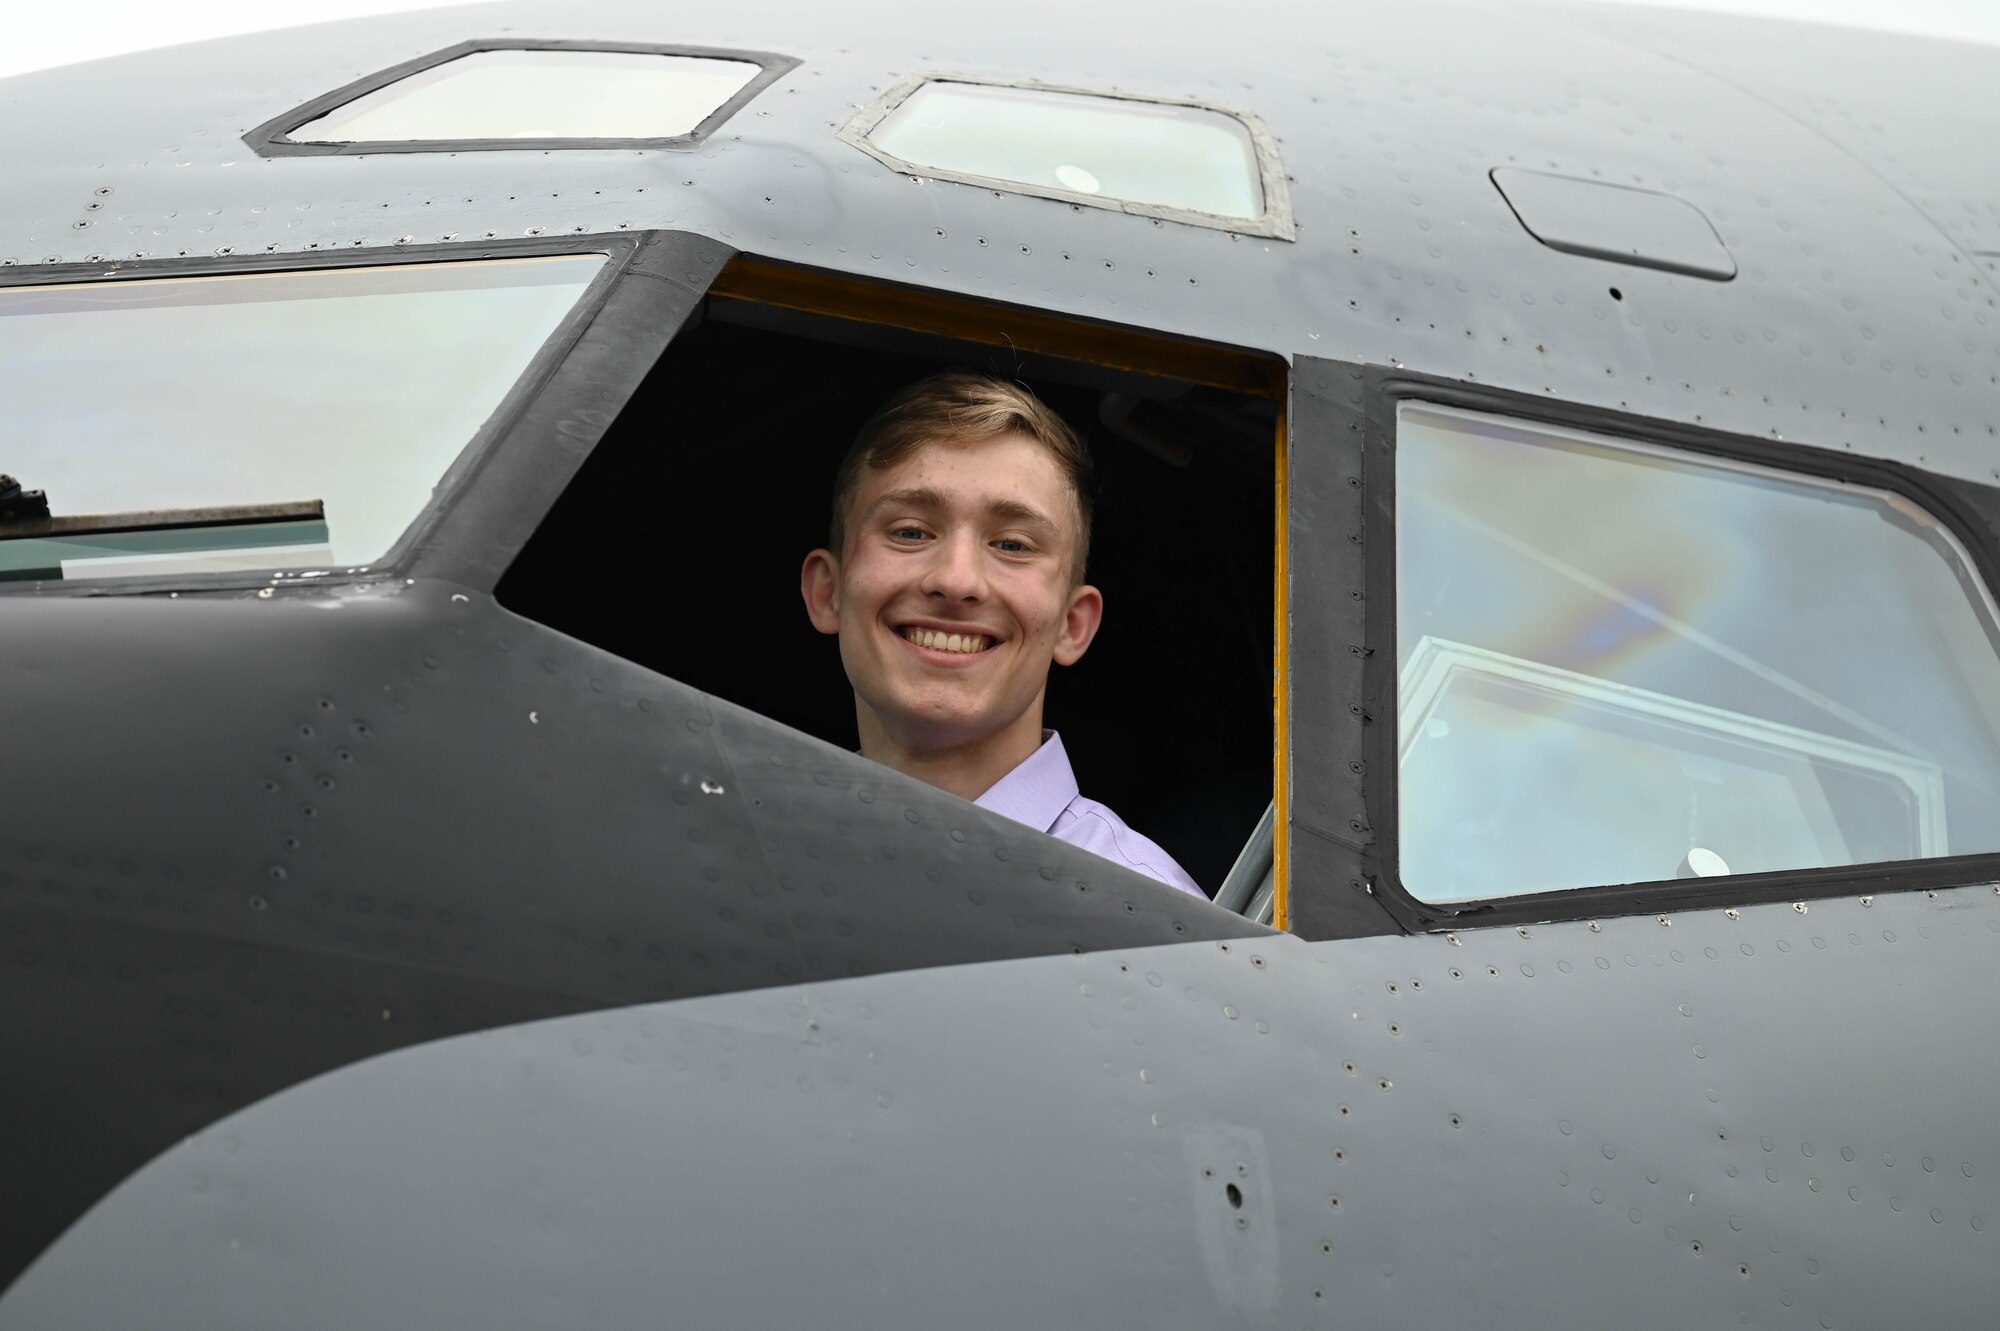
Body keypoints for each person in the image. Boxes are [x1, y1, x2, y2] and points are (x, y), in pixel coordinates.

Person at [800, 372, 1205, 898]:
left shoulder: (1149, 919)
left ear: (1072, 625)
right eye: (910, 532)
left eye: (1012, 545)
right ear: (827, 592)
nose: (955, 580)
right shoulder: (735, 859)